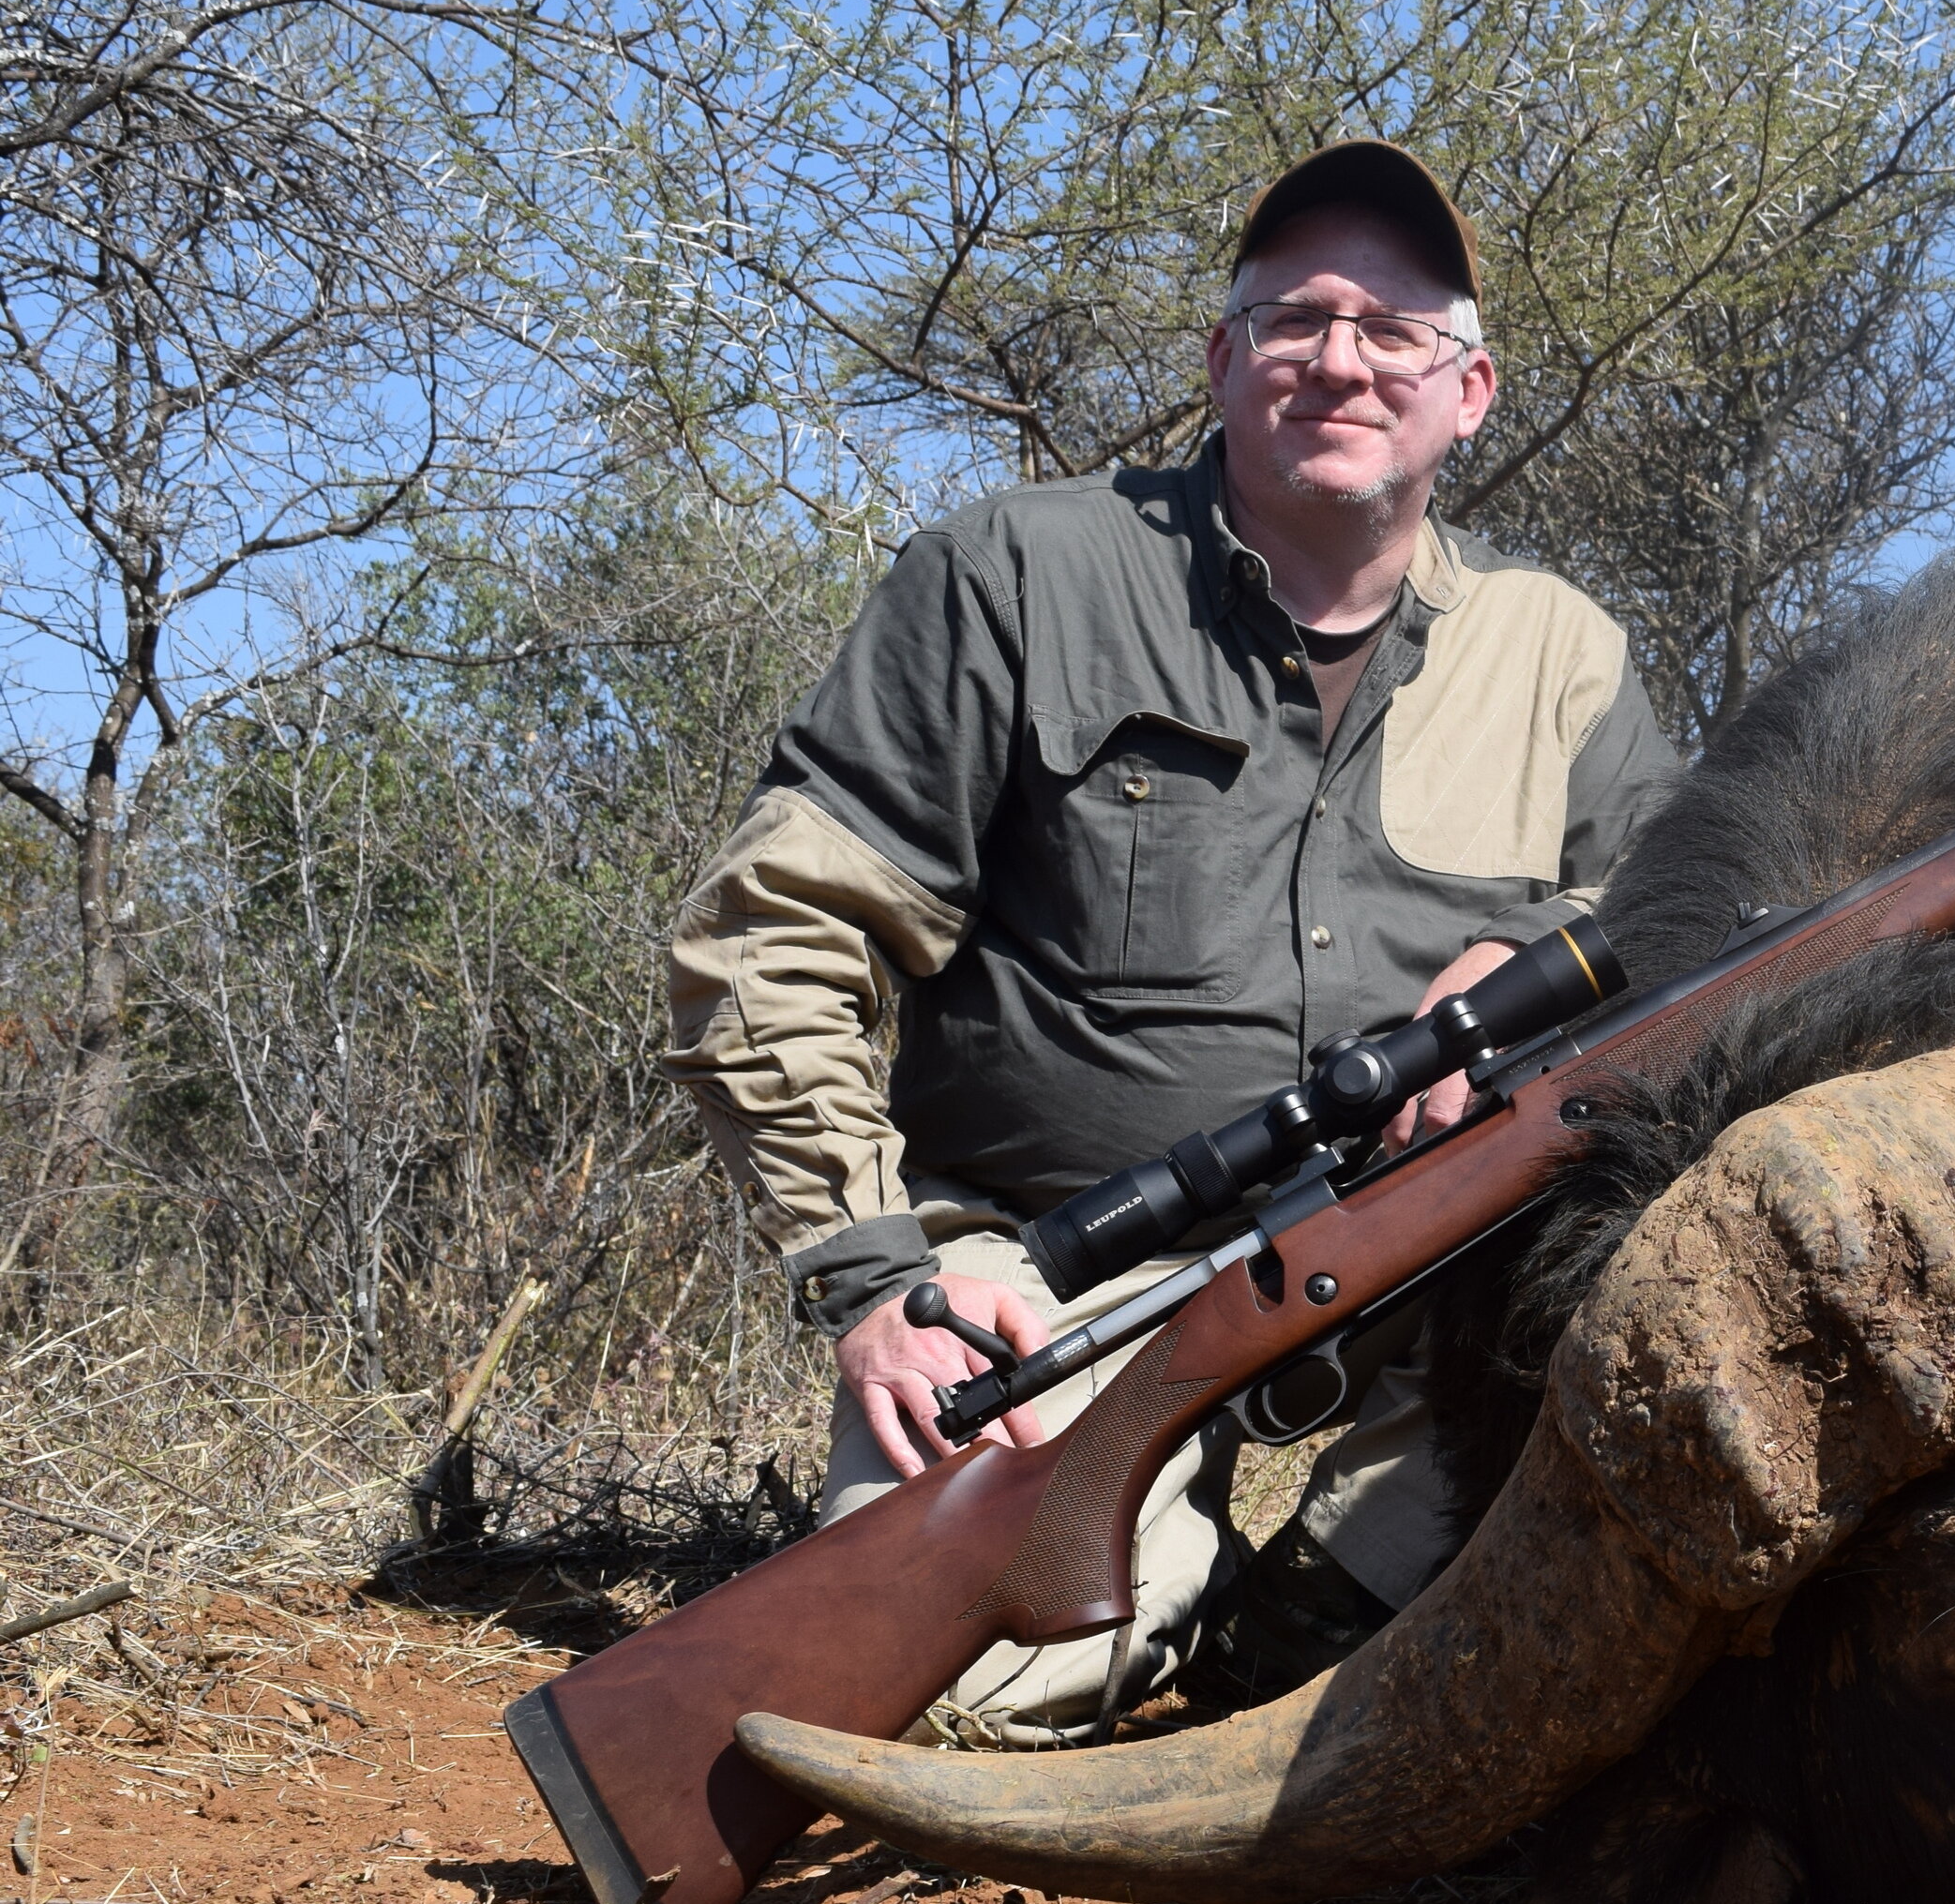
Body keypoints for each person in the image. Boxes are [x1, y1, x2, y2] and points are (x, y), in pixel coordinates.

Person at [662, 141, 1678, 1741]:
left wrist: (1541, 962)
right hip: (1060, 1273)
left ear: (1468, 390)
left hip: (1434, 1282)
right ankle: (1161, 1578)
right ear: (1222, 361)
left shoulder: (1564, 656)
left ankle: (1297, 1624)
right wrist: (876, 1279)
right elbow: (767, 937)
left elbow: (1677, 951)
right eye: (1295, 319)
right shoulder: (1015, 574)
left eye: (1396, 329)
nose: (1342, 359)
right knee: (965, 1695)